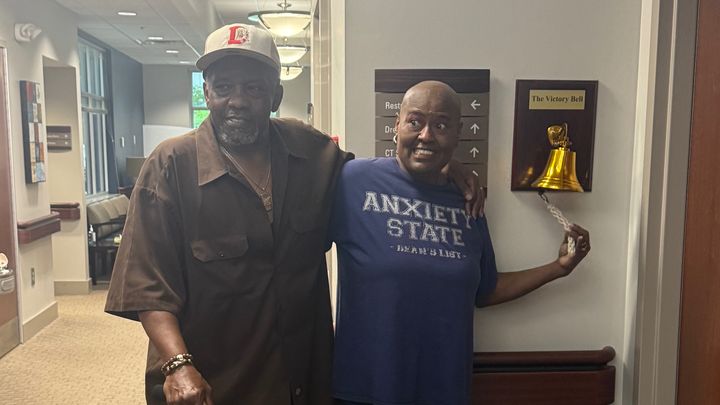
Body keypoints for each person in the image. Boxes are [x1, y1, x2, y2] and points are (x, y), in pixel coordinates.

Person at [105, 25, 483, 405]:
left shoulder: (312, 153)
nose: (237, 101)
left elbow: (382, 177)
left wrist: (443, 166)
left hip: (300, 378)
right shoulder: (170, 165)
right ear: (206, 92)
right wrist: (177, 365)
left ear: (276, 96)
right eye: (224, 88)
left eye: (254, 88)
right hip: (211, 382)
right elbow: (147, 284)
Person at [328, 81, 591, 405]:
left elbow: (486, 290)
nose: (426, 135)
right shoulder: (353, 180)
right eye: (415, 121)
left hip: (445, 391)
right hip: (364, 392)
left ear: (458, 134)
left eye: (441, 125)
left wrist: (558, 268)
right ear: (396, 125)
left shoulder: (468, 202)